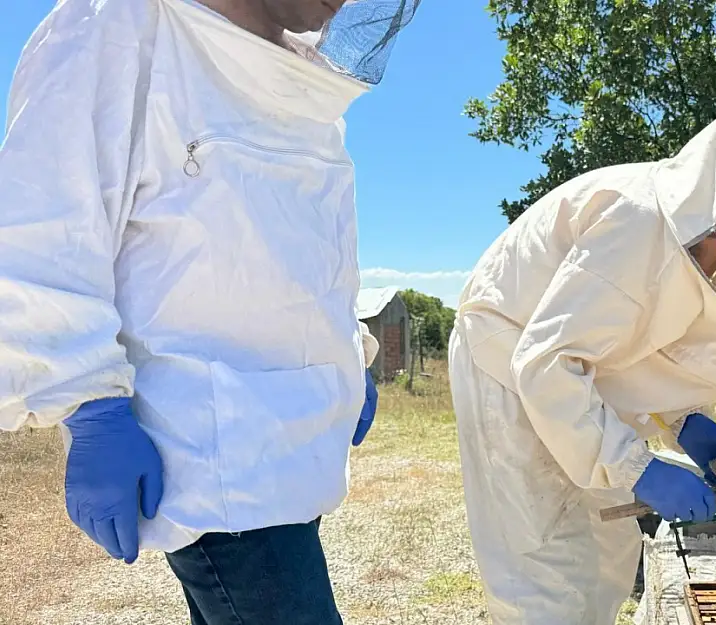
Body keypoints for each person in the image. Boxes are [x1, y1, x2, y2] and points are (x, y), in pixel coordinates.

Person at [0, 0, 417, 623]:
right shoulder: (117, 25)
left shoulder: (304, 94)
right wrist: (88, 407)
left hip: (296, 453)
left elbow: (295, 262)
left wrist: (349, 352)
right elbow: (41, 226)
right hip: (209, 462)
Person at [448, 106, 716, 624]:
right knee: (541, 568)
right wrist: (636, 468)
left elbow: (637, 347)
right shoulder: (642, 219)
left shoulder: (705, 238)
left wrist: (681, 419)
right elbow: (550, 360)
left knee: (607, 553)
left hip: (572, 377)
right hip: (506, 365)